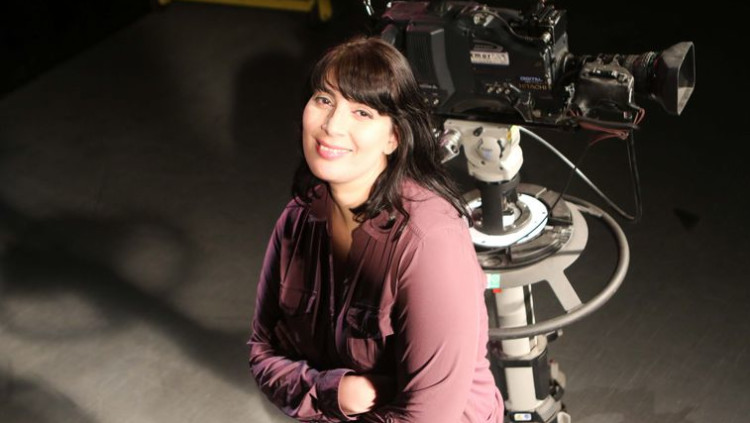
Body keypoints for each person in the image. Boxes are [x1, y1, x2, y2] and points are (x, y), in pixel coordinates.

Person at [248, 35, 504, 422]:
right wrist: (337, 391)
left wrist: (311, 389)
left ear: (394, 137)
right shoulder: (299, 217)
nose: (332, 125)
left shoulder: (429, 243)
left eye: (362, 112)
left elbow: (427, 418)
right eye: (324, 100)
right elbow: (261, 352)